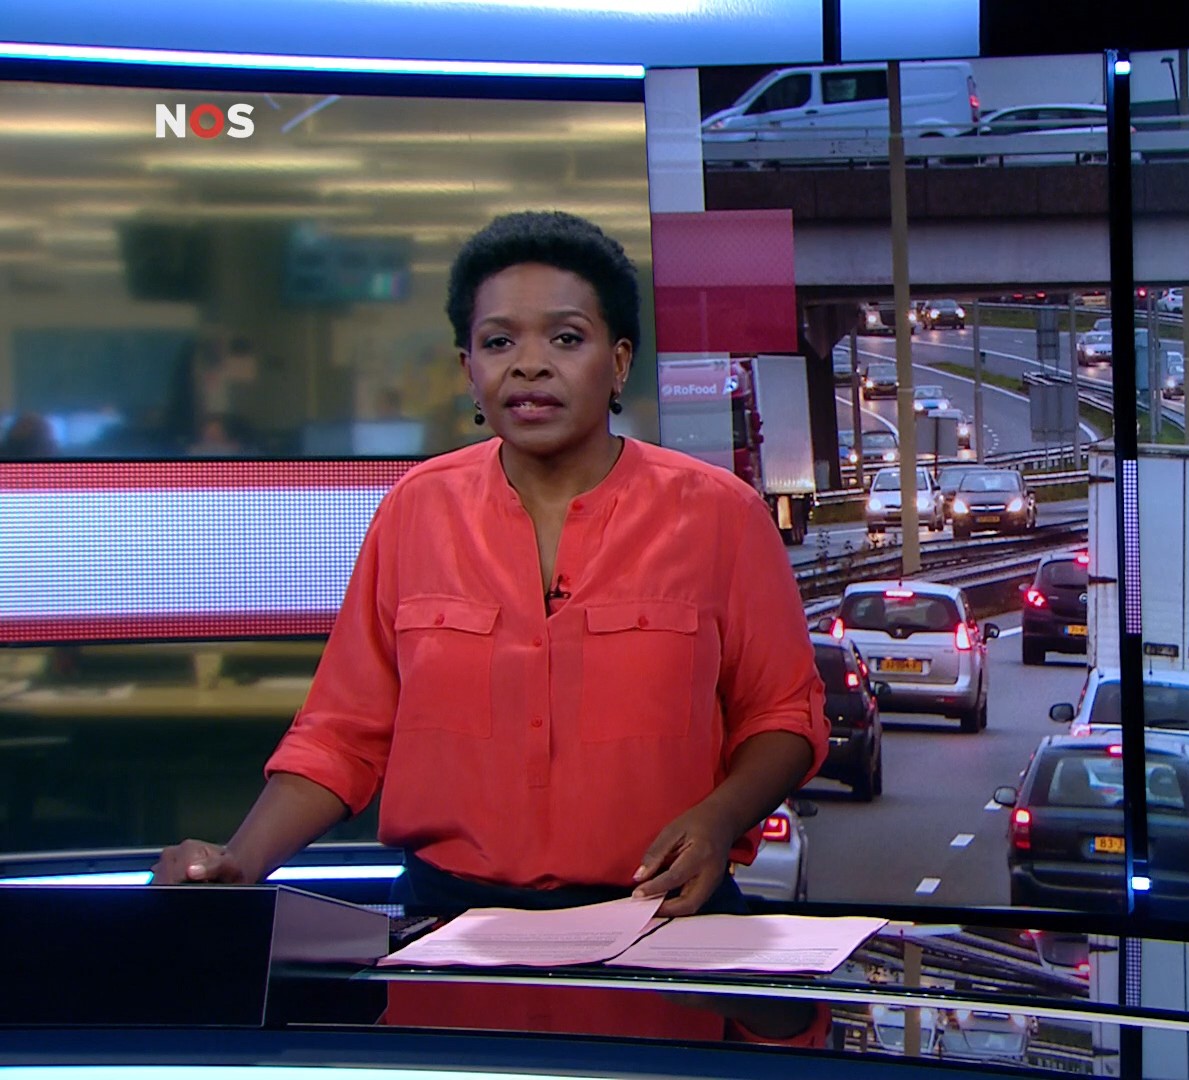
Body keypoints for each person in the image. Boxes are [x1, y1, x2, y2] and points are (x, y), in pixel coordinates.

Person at [153, 210, 829, 920]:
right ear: (468, 371)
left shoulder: (720, 515)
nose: (529, 364)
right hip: (447, 925)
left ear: (619, 362)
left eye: (567, 338)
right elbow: (341, 736)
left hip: (664, 916)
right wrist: (241, 861)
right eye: (499, 341)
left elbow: (783, 716)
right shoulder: (415, 510)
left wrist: (720, 818)